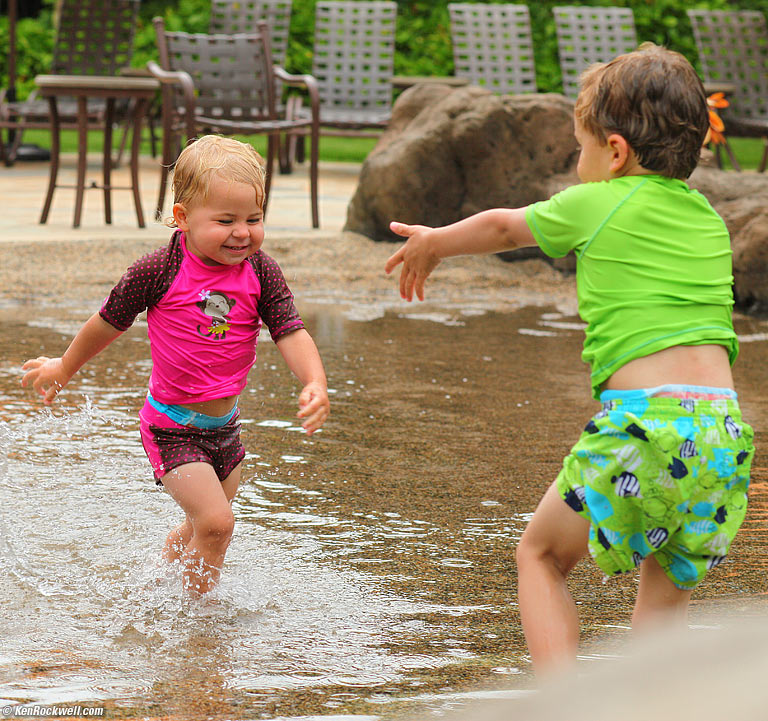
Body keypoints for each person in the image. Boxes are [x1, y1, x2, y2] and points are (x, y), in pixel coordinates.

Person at [384, 44, 755, 674]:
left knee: (541, 556)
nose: (576, 164)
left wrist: (435, 243)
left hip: (646, 424)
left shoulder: (602, 199)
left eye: (579, 149)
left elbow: (505, 228)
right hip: (723, 437)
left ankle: (563, 705)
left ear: (615, 152)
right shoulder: (709, 221)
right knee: (663, 603)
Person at [21, 135, 330, 596]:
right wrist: (64, 368)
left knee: (199, 530)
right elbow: (108, 321)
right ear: (183, 217)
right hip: (172, 427)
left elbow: (289, 329)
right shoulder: (158, 270)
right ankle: (197, 628)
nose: (242, 232)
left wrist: (314, 381)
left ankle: (153, 590)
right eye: (225, 220)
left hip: (226, 427)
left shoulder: (260, 271)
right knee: (217, 523)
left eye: (254, 218)